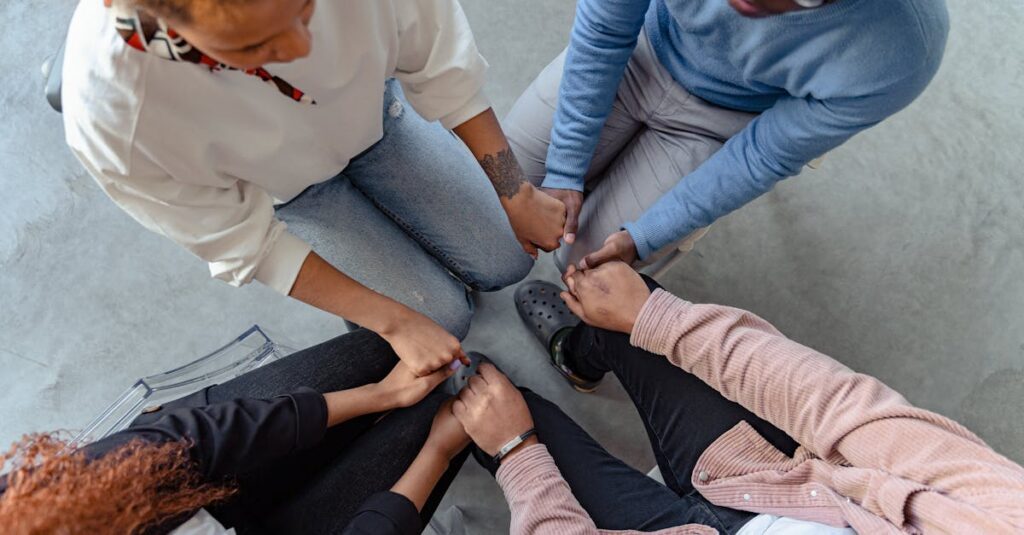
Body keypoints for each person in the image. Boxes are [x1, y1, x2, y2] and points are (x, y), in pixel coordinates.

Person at [61, 0, 567, 376]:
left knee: (509, 257)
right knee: (441, 318)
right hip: (293, 194)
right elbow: (240, 241)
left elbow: (438, 59)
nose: (303, 49)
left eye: (306, 8)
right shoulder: (114, 117)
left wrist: (515, 191)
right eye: (254, 48)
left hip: (381, 119)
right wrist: (393, 322)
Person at [449, 264, 1024, 533]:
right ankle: (579, 356)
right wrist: (661, 319)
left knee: (493, 416)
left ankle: (498, 427)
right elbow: (845, 408)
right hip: (783, 482)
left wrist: (520, 456)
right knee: (633, 319)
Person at [504, 0, 949, 272]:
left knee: (590, 264)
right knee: (501, 193)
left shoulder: (905, 49)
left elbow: (762, 157)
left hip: (725, 120)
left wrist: (647, 236)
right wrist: (565, 168)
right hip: (640, 42)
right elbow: (602, 31)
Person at [0, 329, 473, 534]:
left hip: (189, 487)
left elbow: (197, 440)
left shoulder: (22, 518)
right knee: (432, 424)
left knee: (376, 355)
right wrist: (437, 452)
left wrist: (381, 395)